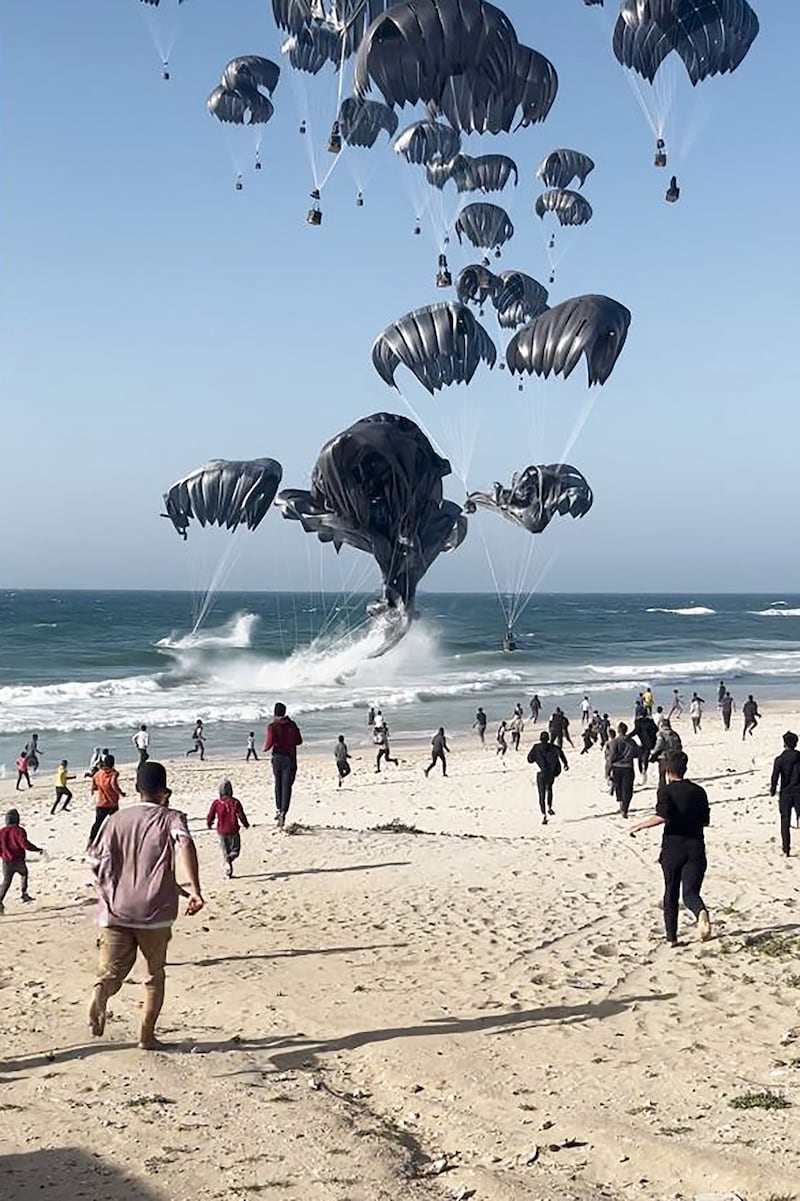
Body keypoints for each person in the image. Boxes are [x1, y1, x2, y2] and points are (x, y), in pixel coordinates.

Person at [87, 760, 204, 1050]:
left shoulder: (114, 820)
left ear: (136, 789)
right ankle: (147, 1036)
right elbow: (184, 844)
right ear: (164, 791)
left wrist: (107, 891)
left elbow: (94, 862)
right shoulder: (171, 817)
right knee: (153, 976)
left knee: (111, 972)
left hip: (115, 909)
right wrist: (194, 890)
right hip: (154, 912)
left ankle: (101, 993)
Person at [630, 750, 711, 947]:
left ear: (667, 771)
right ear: (685, 768)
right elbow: (705, 821)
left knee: (671, 891)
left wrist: (639, 826)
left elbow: (663, 816)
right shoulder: (699, 791)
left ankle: (672, 938)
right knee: (691, 893)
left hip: (673, 848)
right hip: (696, 847)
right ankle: (700, 912)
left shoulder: (665, 791)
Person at [264, 703, 303, 828]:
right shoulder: (292, 725)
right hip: (290, 758)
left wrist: (265, 748)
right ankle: (283, 812)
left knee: (278, 784)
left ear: (275, 713)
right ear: (285, 712)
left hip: (277, 758)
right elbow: (299, 741)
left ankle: (278, 809)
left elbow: (269, 743)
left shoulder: (272, 726)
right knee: (287, 786)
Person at [0, 809, 42, 913]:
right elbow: (25, 844)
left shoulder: (1, 831)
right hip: (18, 860)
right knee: (24, 874)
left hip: (6, 861)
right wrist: (37, 849)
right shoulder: (19, 830)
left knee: (6, 882)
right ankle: (24, 893)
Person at [206, 778, 250, 877]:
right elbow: (241, 815)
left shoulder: (216, 803)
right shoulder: (235, 802)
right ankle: (229, 861)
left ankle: (228, 868)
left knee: (225, 851)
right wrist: (245, 824)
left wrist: (209, 824)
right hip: (233, 830)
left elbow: (211, 815)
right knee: (235, 850)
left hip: (221, 831)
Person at [527, 731, 568, 824]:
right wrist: (565, 764)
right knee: (549, 788)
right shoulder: (553, 747)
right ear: (548, 739)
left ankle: (543, 815)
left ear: (540, 739)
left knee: (541, 795)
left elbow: (529, 759)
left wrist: (537, 758)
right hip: (551, 773)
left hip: (541, 773)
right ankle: (549, 807)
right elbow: (561, 753)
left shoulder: (536, 747)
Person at [770, 731, 800, 857]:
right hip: (799, 791)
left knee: (785, 821)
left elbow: (775, 777)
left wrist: (772, 790)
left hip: (786, 793)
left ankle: (786, 848)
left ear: (784, 744)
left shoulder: (779, 759)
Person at [87, 754, 125, 846]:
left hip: (101, 803)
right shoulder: (113, 774)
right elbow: (113, 785)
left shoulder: (98, 774)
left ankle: (90, 842)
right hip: (112, 803)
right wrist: (121, 792)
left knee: (97, 823)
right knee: (116, 823)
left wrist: (96, 788)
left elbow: (94, 786)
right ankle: (117, 842)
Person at [606, 722, 638, 818]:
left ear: (618, 731)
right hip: (628, 767)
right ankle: (625, 808)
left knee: (618, 787)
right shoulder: (632, 742)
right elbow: (637, 754)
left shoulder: (614, 742)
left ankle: (621, 805)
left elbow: (611, 757)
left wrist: (607, 771)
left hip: (617, 767)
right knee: (628, 789)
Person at [649, 719, 683, 787]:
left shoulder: (661, 733)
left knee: (662, 775)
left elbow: (659, 745)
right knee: (672, 774)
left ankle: (663, 789)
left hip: (664, 756)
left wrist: (653, 752)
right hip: (674, 756)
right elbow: (679, 745)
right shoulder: (674, 733)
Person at [632, 711, 658, 783]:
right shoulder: (651, 721)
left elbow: (635, 731)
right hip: (649, 743)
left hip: (640, 742)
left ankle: (641, 773)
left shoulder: (638, 722)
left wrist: (627, 736)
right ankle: (644, 771)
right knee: (646, 757)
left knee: (640, 758)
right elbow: (656, 730)